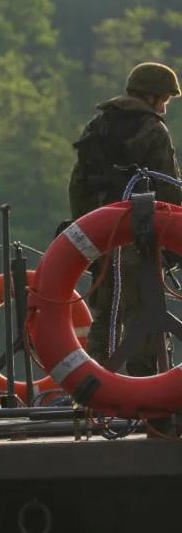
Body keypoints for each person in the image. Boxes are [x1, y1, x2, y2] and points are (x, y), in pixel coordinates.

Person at [68, 62, 182, 375]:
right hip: (140, 236)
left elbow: (78, 184)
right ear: (154, 97)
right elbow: (169, 188)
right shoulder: (152, 129)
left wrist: (86, 229)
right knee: (144, 312)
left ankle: (95, 393)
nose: (165, 107)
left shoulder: (97, 125)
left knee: (105, 314)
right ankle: (145, 390)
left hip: (102, 234)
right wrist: (172, 241)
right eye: (165, 100)